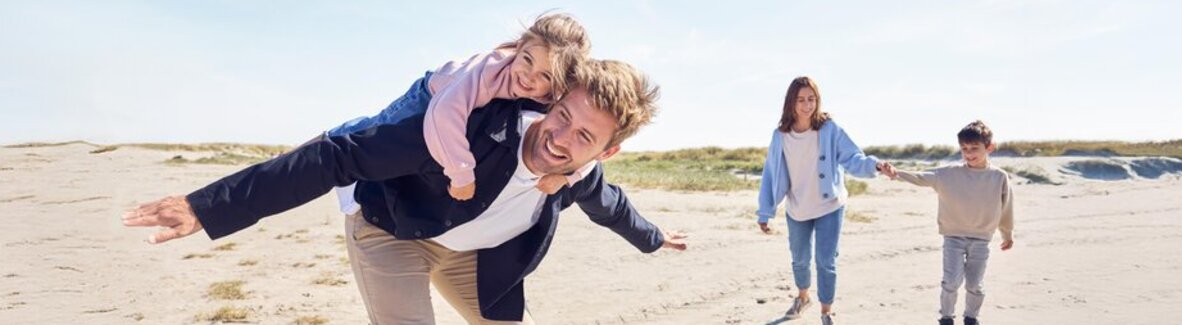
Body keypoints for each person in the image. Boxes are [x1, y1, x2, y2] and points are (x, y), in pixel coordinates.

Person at [122, 59, 687, 324]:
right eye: (560, 115)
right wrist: (207, 206)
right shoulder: (458, 133)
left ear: (607, 151)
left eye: (583, 135)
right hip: (391, 230)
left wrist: (655, 239)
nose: (558, 137)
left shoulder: (581, 174)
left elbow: (611, 208)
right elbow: (336, 155)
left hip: (468, 255)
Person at [328, 13, 596, 208]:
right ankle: (333, 138)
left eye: (545, 76)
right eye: (526, 60)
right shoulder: (490, 70)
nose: (529, 77)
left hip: (456, 105)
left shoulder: (554, 96)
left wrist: (567, 176)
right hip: (433, 94)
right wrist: (461, 174)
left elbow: (596, 146)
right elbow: (444, 114)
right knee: (376, 133)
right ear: (520, 46)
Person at [755, 76, 895, 324]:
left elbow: (853, 158)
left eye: (811, 99)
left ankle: (826, 312)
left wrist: (876, 165)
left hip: (830, 206)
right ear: (791, 103)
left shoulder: (830, 129)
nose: (807, 105)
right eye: (801, 100)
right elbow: (771, 173)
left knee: (826, 261)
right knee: (799, 259)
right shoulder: (781, 136)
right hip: (798, 208)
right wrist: (765, 211)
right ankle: (803, 296)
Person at [892, 120, 1015, 325]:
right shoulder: (948, 174)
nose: (969, 153)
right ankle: (946, 318)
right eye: (964, 149)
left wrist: (1007, 234)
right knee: (951, 282)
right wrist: (895, 173)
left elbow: (1006, 207)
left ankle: (971, 318)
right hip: (953, 237)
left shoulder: (998, 177)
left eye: (974, 148)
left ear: (989, 147)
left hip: (981, 239)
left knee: (975, 284)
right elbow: (921, 177)